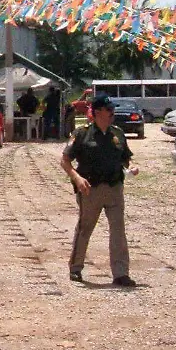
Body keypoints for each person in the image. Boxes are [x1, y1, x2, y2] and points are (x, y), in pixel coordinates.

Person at [60, 95, 137, 287]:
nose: (112, 113)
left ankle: (121, 273)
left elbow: (125, 158)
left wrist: (132, 167)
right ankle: (76, 267)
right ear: (97, 112)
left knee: (118, 230)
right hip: (90, 189)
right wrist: (77, 178)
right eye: (108, 109)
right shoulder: (82, 134)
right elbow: (65, 160)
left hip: (114, 188)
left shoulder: (118, 133)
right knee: (85, 228)